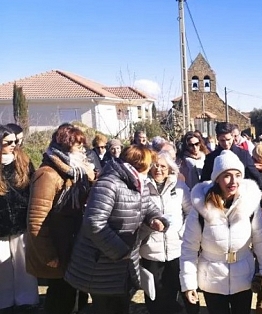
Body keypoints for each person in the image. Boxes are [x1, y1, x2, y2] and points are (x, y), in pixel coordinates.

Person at [65, 145, 169, 314]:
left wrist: (156, 219)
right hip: (101, 265)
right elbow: (94, 223)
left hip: (124, 264)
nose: (152, 168)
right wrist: (120, 251)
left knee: (121, 305)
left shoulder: (137, 183)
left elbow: (148, 206)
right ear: (140, 164)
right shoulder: (108, 184)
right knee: (106, 307)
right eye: (150, 164)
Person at [180, 150, 262, 314]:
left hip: (244, 276)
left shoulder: (249, 204)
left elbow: (261, 239)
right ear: (217, 178)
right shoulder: (201, 208)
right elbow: (189, 248)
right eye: (227, 175)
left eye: (237, 175)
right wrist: (189, 284)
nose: (233, 181)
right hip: (212, 278)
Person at [26, 124, 95, 314]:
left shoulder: (75, 173)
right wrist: (49, 257)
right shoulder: (47, 174)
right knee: (61, 300)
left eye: (83, 146)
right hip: (58, 248)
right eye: (78, 146)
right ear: (65, 146)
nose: (83, 151)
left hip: (72, 246)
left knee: (77, 297)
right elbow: (36, 221)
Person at [139, 151, 198, 314]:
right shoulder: (142, 187)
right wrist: (148, 228)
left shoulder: (179, 187)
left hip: (177, 249)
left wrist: (182, 233)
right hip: (151, 250)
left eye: (163, 166)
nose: (158, 169)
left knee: (184, 289)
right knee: (156, 295)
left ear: (170, 169)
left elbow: (191, 212)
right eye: (155, 165)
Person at [0, 125, 39, 313]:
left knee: (24, 263)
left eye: (15, 141)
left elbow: (32, 187)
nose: (14, 145)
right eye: (8, 143)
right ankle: (4, 301)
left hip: (21, 221)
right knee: (3, 266)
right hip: (0, 225)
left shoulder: (23, 160)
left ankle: (27, 299)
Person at [201, 122, 262, 190]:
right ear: (217, 138)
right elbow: (204, 181)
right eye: (222, 140)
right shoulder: (210, 158)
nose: (226, 143)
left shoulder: (243, 155)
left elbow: (255, 176)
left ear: (233, 137)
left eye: (228, 139)